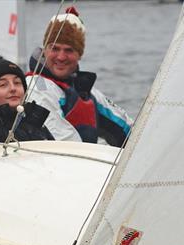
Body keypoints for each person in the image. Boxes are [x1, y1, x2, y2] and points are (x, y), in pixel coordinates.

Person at [26, 7, 133, 146]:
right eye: (55, 48)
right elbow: (63, 142)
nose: (61, 56)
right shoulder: (35, 86)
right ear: (45, 50)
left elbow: (126, 127)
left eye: (69, 50)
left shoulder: (87, 92)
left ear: (80, 54)